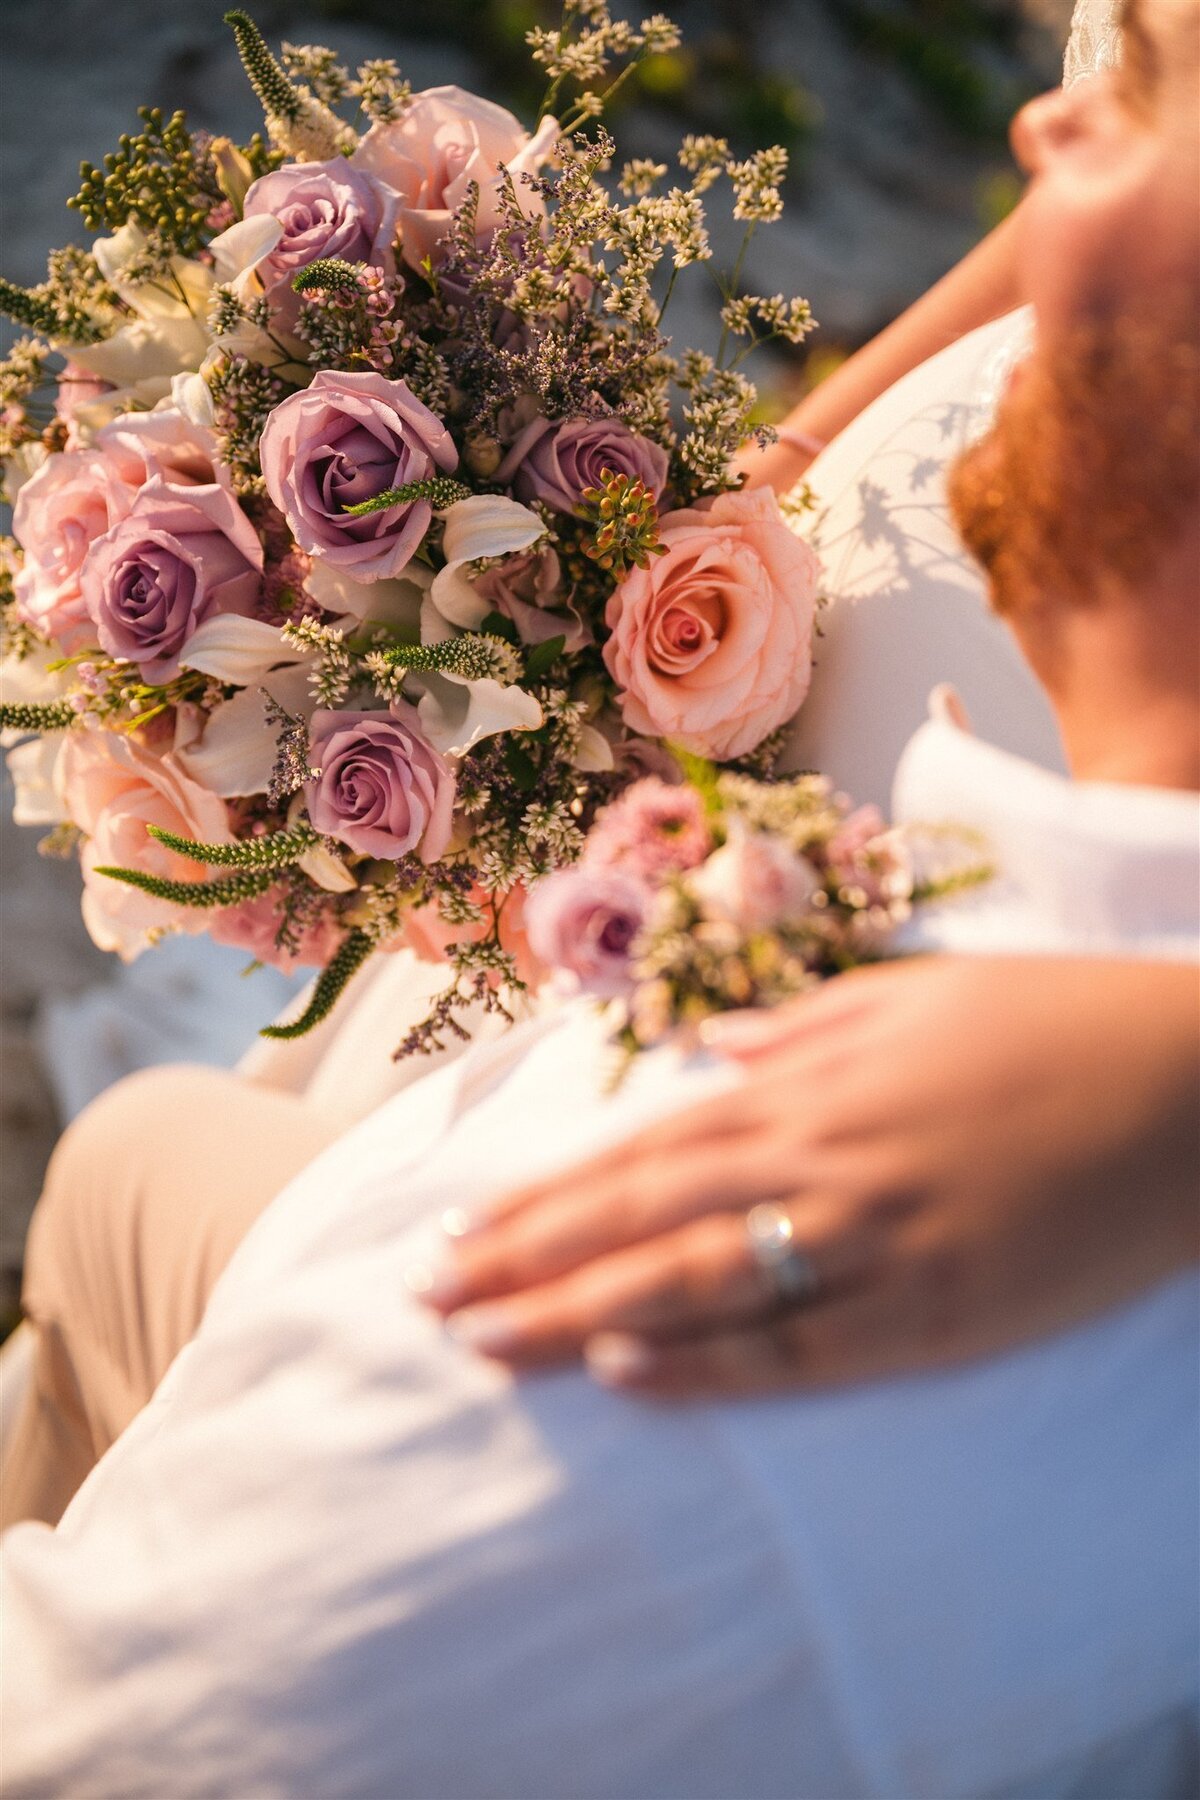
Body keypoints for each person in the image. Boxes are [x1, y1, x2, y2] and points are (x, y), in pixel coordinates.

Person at [3, 3, 1197, 1789]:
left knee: (127, 1182)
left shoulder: (659, 1312)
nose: (1050, 126)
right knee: (150, 1163)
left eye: (1158, 96)